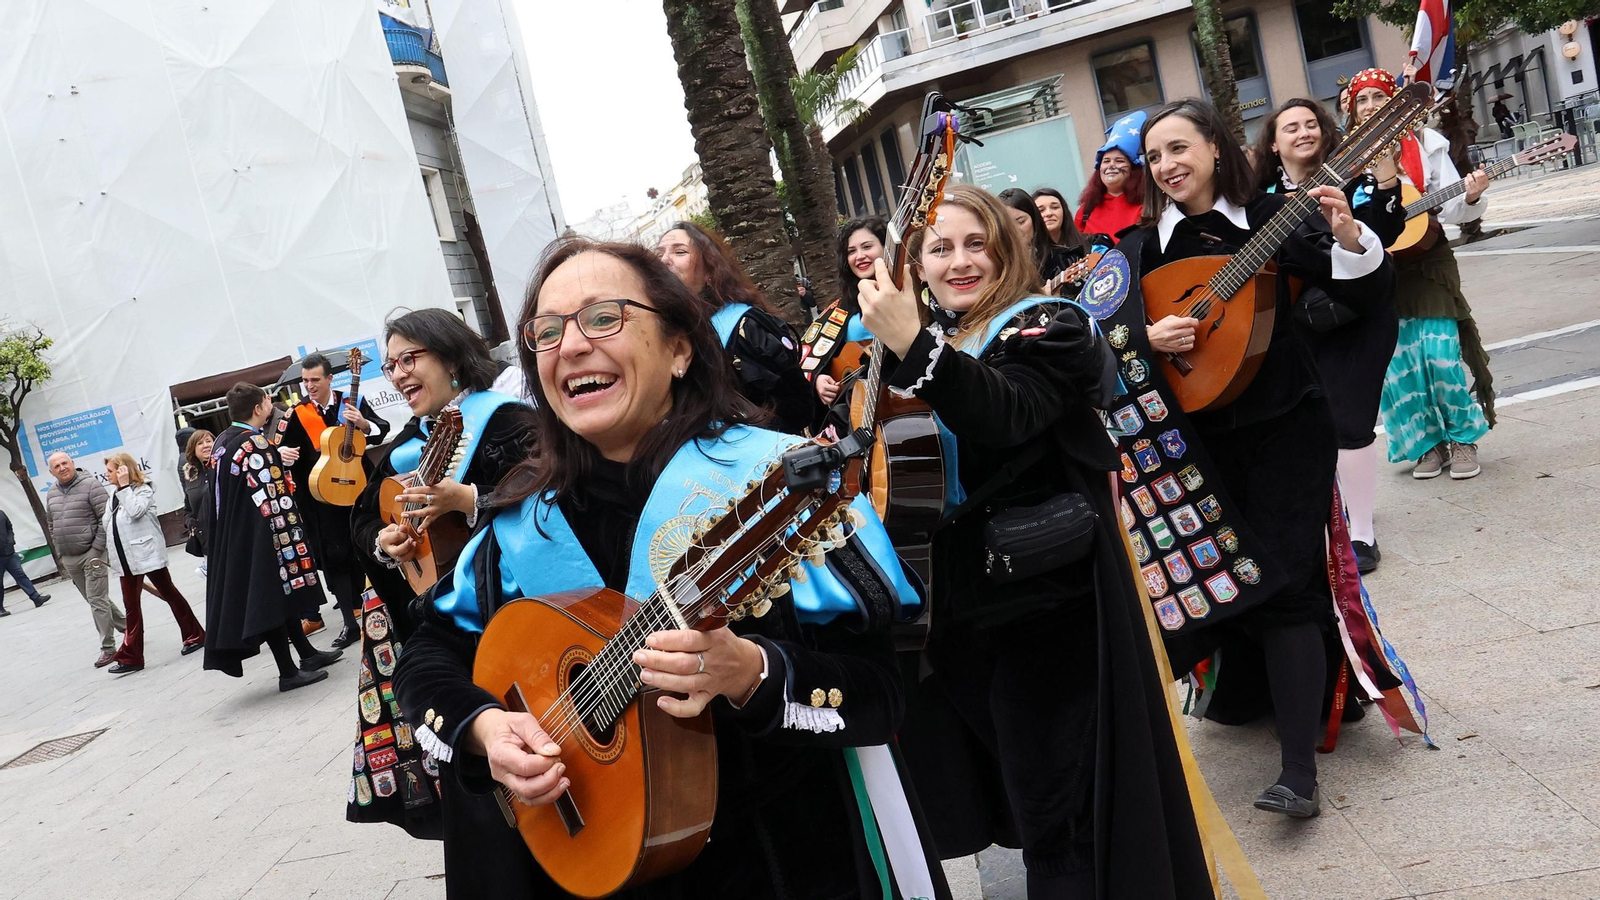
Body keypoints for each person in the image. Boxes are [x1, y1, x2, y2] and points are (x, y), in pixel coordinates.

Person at [392, 236, 950, 899]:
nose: (569, 346)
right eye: (546, 331)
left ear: (681, 348)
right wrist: (485, 728)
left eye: (604, 318)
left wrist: (755, 674)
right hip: (591, 855)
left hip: (780, 860)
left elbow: (883, 692)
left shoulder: (778, 483)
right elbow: (428, 655)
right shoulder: (523, 517)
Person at [850, 184, 1208, 897]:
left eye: (976, 243)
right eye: (940, 248)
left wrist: (911, 346)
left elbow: (1007, 413)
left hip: (1045, 617)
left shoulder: (1048, 323)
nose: (959, 262)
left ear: (1006, 249)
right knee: (1025, 798)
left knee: (1059, 823)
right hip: (962, 621)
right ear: (914, 264)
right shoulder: (941, 339)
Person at [1117, 99, 1395, 818]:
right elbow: (1103, 337)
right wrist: (1148, 337)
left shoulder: (1278, 216)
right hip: (1196, 444)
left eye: (1179, 147)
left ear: (1215, 147)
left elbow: (1363, 296)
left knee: (1289, 582)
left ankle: (1298, 773)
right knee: (1212, 581)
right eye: (1154, 157)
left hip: (1285, 428)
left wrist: (1348, 236)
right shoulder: (1142, 248)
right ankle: (1236, 702)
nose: (1167, 166)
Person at [345, 307, 536, 835]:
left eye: (411, 358)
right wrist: (385, 543)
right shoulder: (406, 444)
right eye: (391, 365)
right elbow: (363, 520)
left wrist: (470, 500)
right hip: (446, 643)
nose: (400, 373)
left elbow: (553, 491)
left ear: (452, 356)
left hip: (513, 622)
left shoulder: (507, 423)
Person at [1253, 97, 1405, 573]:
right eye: (1291, 127)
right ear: (1274, 144)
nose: (1304, 132)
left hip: (1360, 316)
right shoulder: (1258, 197)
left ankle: (1360, 533)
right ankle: (1331, 516)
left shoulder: (1353, 177)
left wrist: (1384, 181)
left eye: (1311, 124)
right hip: (1299, 321)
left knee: (1350, 419)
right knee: (1311, 422)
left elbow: (1388, 229)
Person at [1348, 67, 1495, 481]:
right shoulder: (1346, 157)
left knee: (1440, 355)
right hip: (1378, 271)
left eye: (1379, 97)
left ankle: (1463, 438)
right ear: (1354, 111)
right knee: (1399, 364)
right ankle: (1426, 444)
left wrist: (1472, 195)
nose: (1372, 105)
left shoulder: (1426, 145)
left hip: (1428, 263)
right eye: (1363, 99)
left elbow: (1452, 208)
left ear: (1396, 103)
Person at [202, 382, 343, 691]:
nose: (271, 405)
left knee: (281, 598)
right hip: (265, 538)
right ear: (258, 409)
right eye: (268, 401)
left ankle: (306, 654)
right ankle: (288, 672)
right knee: (272, 600)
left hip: (237, 538)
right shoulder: (254, 445)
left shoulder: (223, 442)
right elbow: (275, 500)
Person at [656, 222, 818, 433]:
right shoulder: (657, 332)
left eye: (679, 251)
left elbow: (800, 410)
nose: (664, 260)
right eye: (658, 253)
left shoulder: (744, 327)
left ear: (710, 271)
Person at [277, 351, 391, 646]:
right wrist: (282, 455)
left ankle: (383, 610)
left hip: (358, 489)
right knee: (334, 558)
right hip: (320, 499)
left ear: (329, 378)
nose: (310, 386)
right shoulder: (298, 414)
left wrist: (364, 424)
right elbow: (279, 453)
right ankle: (350, 624)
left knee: (367, 547)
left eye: (315, 379)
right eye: (305, 381)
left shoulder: (352, 403)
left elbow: (382, 431)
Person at [100, 452, 205, 674]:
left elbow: (136, 511)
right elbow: (108, 522)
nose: (107, 475)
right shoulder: (113, 495)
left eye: (110, 471)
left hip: (146, 554)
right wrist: (120, 490)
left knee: (169, 593)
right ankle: (133, 656)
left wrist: (125, 487)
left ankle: (193, 635)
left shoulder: (143, 489)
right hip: (125, 559)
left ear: (123, 471)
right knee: (132, 606)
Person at [45, 451, 124, 665]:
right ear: (51, 471)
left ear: (72, 463)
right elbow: (51, 523)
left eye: (65, 463)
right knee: (95, 599)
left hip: (93, 554)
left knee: (97, 599)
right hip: (69, 557)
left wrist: (96, 550)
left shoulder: (91, 485)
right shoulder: (51, 492)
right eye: (57, 466)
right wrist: (60, 552)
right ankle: (130, 628)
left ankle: (108, 648)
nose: (62, 468)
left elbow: (106, 518)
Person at [800, 216, 888, 407]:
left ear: (886, 246)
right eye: (851, 251)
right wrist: (818, 380)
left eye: (867, 247)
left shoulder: (910, 294)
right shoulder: (840, 308)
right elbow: (808, 358)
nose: (859, 256)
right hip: (854, 406)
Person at [1076, 110, 1148, 243]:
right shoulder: (1086, 210)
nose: (1111, 166)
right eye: (1106, 161)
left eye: (1119, 161)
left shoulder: (1149, 204)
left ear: (1133, 169)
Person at [998, 187, 1086, 287]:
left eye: (1021, 221)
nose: (1015, 230)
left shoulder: (1064, 259)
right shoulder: (994, 267)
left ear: (1035, 219)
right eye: (1008, 225)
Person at [0, 507, 50, 617]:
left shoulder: (1, 513)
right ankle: (0, 609)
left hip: (9, 552)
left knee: (21, 575)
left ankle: (36, 598)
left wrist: (11, 540)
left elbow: (9, 528)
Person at [181, 430, 215, 571]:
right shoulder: (190, 473)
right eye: (200, 443)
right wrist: (190, 523)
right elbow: (188, 507)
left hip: (228, 534)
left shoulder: (224, 466)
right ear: (193, 450)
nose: (205, 445)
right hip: (205, 538)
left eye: (208, 441)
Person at [1031, 187, 1091, 252]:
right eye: (1041, 210)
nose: (1049, 213)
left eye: (1054, 207)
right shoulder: (1030, 254)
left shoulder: (1089, 244)